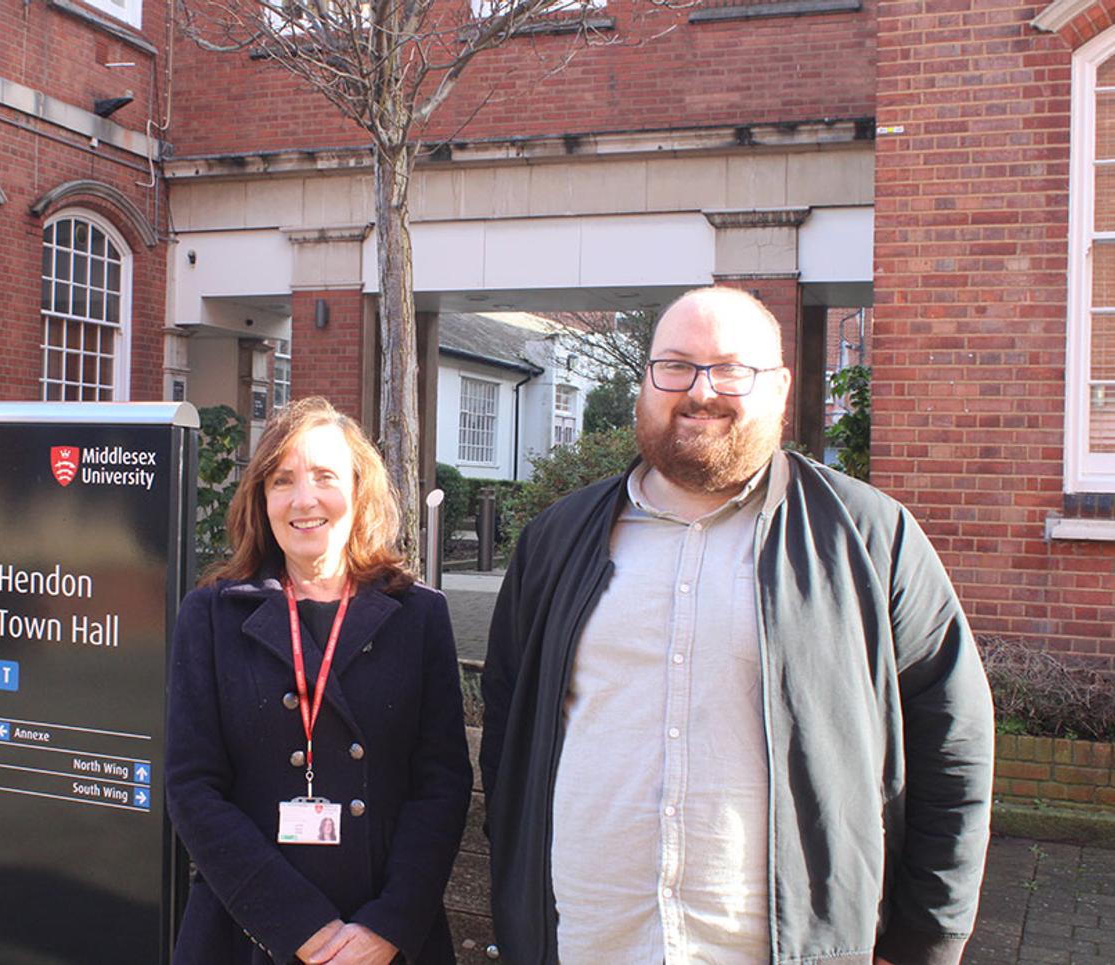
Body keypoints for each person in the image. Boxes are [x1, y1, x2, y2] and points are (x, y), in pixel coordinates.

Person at [480, 287, 994, 965]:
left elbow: (952, 743)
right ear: (646, 381)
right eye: (676, 366)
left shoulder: (869, 538)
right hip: (586, 936)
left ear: (780, 388)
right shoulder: (558, 540)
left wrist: (923, 941)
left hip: (789, 945)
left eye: (730, 369)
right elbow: (508, 727)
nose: (701, 391)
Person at [167, 397, 473, 965]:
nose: (304, 500)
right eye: (282, 481)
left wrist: (389, 926)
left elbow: (442, 783)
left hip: (383, 932)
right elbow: (192, 786)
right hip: (249, 927)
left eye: (325, 477)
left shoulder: (419, 615)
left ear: (359, 490)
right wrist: (299, 927)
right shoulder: (210, 614)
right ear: (262, 500)